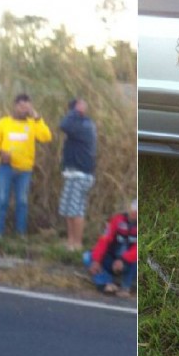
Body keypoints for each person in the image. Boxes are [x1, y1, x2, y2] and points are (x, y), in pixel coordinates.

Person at [0, 93, 52, 238]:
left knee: (22, 202)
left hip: (25, 170)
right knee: (2, 199)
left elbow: (46, 136)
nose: (24, 109)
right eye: (21, 106)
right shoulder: (4, 123)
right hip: (6, 168)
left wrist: (37, 117)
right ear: (15, 106)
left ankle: (20, 233)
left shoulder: (32, 123)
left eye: (27, 106)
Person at [59, 98, 97, 251]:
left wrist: (76, 110)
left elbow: (63, 125)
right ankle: (70, 242)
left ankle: (77, 243)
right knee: (69, 210)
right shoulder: (81, 125)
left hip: (80, 174)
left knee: (76, 211)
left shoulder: (84, 125)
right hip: (74, 174)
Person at [84, 200, 137, 297]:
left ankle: (126, 287)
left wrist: (123, 260)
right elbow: (104, 240)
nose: (134, 213)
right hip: (112, 258)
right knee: (87, 257)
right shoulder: (117, 220)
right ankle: (105, 283)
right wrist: (96, 260)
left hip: (129, 263)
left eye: (137, 211)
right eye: (133, 209)